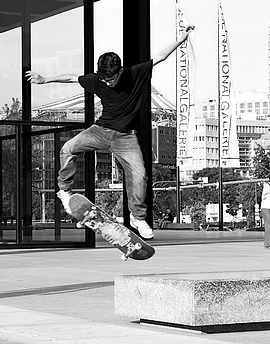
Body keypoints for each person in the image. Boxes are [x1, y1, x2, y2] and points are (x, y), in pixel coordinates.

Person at [26, 26, 195, 239]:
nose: (107, 83)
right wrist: (45, 79)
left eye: (111, 79)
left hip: (125, 137)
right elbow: (72, 77)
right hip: (100, 130)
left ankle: (138, 217)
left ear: (120, 71)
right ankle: (65, 191)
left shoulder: (135, 73)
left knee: (139, 174)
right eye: (104, 80)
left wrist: (182, 38)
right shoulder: (97, 79)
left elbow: (160, 57)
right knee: (68, 148)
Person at [260, 181, 270, 248]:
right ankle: (267, 244)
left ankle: (267, 243)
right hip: (266, 208)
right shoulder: (266, 186)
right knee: (268, 225)